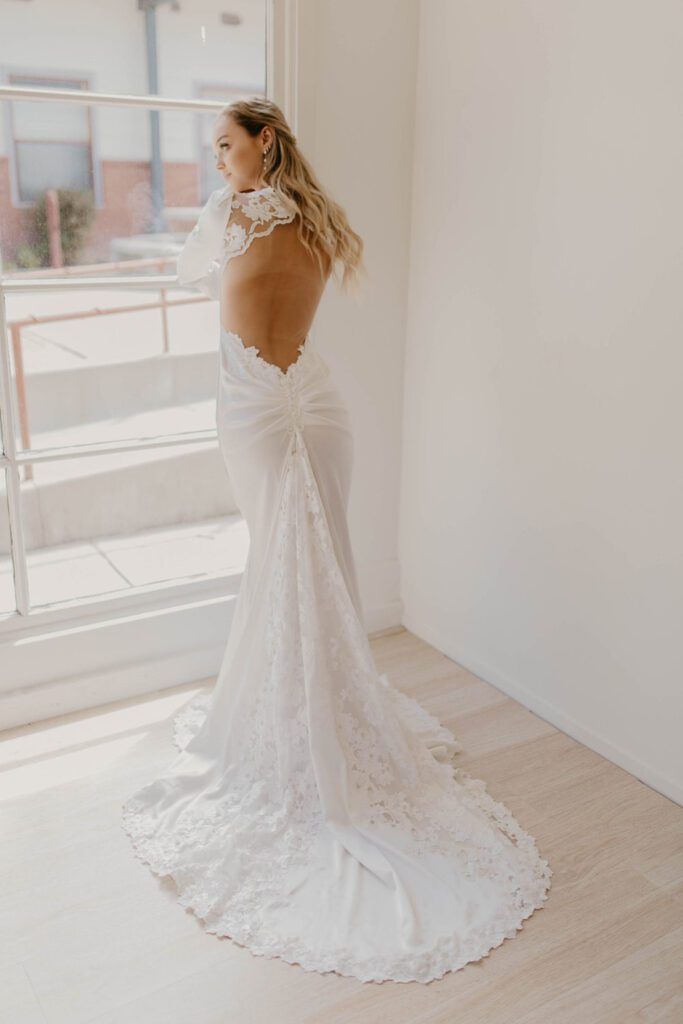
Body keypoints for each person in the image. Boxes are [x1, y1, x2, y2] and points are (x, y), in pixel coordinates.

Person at [121, 97, 552, 985]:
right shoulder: (325, 222)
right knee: (321, 567)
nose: (217, 165)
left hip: (250, 406)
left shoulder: (227, 215)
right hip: (316, 409)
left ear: (264, 141)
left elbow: (180, 275)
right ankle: (320, 702)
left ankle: (294, 723)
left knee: (276, 569)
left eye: (225, 147)